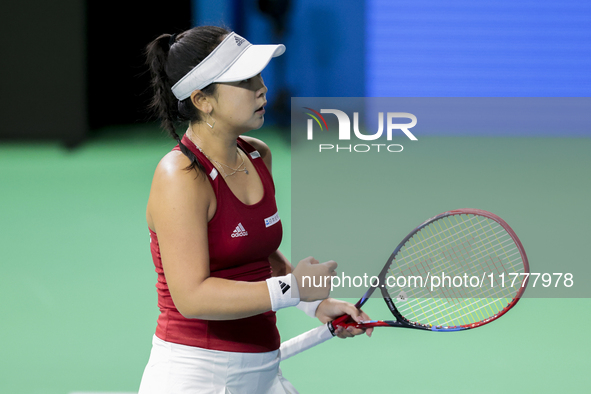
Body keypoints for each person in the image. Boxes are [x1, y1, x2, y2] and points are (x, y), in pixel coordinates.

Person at [139, 26, 372, 393]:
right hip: (197, 376)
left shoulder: (256, 154)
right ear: (202, 99)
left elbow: (258, 257)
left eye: (259, 75)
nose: (261, 88)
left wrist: (317, 305)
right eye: (245, 80)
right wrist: (293, 288)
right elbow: (192, 297)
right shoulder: (180, 176)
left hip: (262, 371)